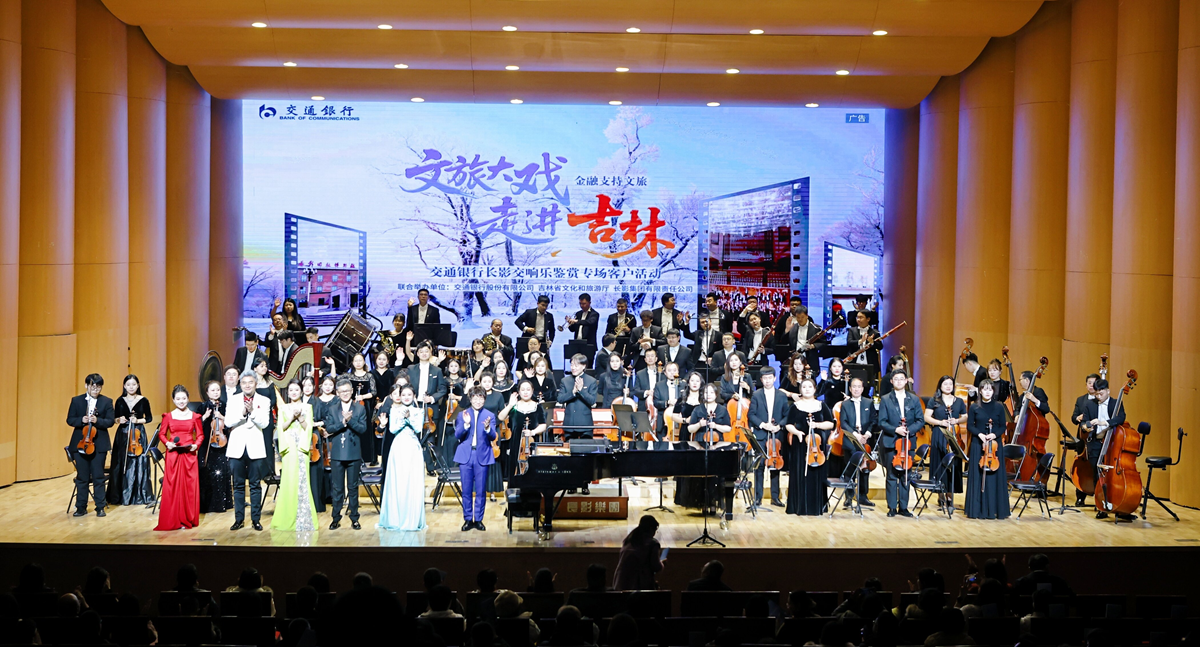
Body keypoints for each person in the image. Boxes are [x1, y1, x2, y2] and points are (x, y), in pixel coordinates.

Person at [375, 384, 427, 531]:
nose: (406, 397)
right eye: (403, 395)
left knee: (411, 482)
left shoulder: (419, 411)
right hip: (398, 447)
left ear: (414, 396)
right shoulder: (394, 410)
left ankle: (412, 519)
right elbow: (393, 429)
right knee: (398, 481)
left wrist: (409, 419)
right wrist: (403, 419)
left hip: (412, 447)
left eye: (409, 395)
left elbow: (418, 429)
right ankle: (395, 519)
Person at [224, 370, 271, 531]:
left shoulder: (264, 400)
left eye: (250, 382)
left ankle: (256, 520)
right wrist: (242, 413)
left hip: (255, 448)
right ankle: (239, 519)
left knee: (255, 485)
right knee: (237, 485)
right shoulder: (233, 399)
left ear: (255, 384)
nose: (247, 385)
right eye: (244, 383)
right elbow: (228, 422)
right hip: (236, 447)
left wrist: (252, 412)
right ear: (240, 384)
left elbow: (264, 423)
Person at [155, 385, 204, 531]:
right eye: (178, 399)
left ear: (188, 399)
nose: (181, 401)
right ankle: (173, 519)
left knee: (189, 487)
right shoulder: (168, 416)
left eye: (184, 398)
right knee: (172, 486)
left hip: (189, 455)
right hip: (173, 455)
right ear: (173, 400)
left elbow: (200, 435)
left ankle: (187, 519)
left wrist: (196, 445)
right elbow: (162, 434)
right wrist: (167, 443)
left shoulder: (195, 416)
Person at [272, 380, 319, 532]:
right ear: (288, 392)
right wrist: (292, 417)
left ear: (301, 391)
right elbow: (281, 427)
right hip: (289, 447)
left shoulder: (307, 407)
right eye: (291, 390)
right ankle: (287, 517)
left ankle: (304, 519)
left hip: (302, 447)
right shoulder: (283, 408)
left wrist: (300, 418)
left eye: (296, 390)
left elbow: (308, 428)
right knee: (289, 481)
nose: (293, 392)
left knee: (303, 481)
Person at [67, 374, 116, 517]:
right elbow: (70, 419)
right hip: (80, 444)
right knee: (82, 477)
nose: (95, 389)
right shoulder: (76, 401)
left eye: (98, 386)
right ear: (86, 386)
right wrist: (81, 420)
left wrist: (97, 421)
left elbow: (110, 421)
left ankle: (100, 507)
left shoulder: (106, 401)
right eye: (92, 386)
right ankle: (80, 507)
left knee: (98, 476)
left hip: (99, 444)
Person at [878, 370, 925, 517]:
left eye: (901, 379)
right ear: (891, 381)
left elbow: (920, 420)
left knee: (906, 475)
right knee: (892, 475)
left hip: (908, 442)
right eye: (896, 379)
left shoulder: (914, 399)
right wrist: (896, 430)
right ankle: (892, 507)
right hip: (891, 441)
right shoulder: (886, 399)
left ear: (906, 381)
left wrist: (909, 430)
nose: (899, 381)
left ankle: (904, 507)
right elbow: (882, 422)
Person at [785, 378, 834, 516]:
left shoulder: (821, 405)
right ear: (800, 390)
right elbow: (788, 424)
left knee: (816, 474)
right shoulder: (795, 406)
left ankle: (816, 506)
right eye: (804, 387)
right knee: (800, 473)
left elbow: (830, 424)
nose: (807, 389)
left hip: (816, 445)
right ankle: (799, 506)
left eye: (810, 387)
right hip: (800, 444)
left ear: (814, 389)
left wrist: (817, 425)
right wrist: (797, 432)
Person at [324, 378, 368, 530]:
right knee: (337, 488)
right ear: (337, 393)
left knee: (353, 487)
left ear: (352, 391)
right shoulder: (332, 409)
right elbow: (329, 428)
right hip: (337, 453)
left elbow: (362, 429)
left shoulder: (359, 409)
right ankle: (335, 518)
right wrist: (342, 423)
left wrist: (350, 421)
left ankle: (354, 518)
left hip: (353, 453)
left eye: (347, 391)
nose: (345, 394)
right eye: (342, 391)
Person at [1081, 378, 1128, 519]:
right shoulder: (1090, 404)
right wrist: (1086, 426)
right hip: (1095, 443)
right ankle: (1100, 505)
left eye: (1101, 394)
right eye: (1096, 394)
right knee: (1098, 474)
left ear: (1108, 391)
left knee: (1113, 474)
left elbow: (1121, 418)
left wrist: (1104, 422)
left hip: (1113, 443)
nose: (1098, 397)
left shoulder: (1115, 403)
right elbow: (1084, 423)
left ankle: (1118, 502)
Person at [965, 379, 1010, 520]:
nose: (987, 392)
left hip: (994, 445)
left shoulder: (999, 406)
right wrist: (980, 435)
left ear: (993, 391)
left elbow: (1002, 426)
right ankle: (977, 510)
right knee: (978, 476)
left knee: (994, 476)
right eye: (985, 389)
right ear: (980, 391)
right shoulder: (974, 407)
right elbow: (970, 426)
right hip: (978, 444)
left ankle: (994, 509)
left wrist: (993, 435)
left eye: (990, 389)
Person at [455, 387, 497, 531]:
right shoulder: (462, 414)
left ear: (484, 399)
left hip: (482, 455)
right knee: (466, 490)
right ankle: (468, 519)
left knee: (481, 490)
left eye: (481, 398)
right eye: (475, 398)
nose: (478, 401)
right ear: (470, 399)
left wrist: (487, 428)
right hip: (466, 455)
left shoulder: (489, 415)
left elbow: (493, 436)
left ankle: (478, 519)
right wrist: (466, 424)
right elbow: (457, 435)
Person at [108, 374, 154, 507]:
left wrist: (138, 420)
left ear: (138, 385)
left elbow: (149, 418)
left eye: (134, 384)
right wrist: (119, 420)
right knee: (121, 462)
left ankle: (139, 495)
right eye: (128, 385)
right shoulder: (119, 400)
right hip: (123, 434)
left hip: (138, 434)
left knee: (139, 462)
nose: (131, 387)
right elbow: (114, 419)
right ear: (124, 386)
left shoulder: (143, 400)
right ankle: (121, 495)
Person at [749, 367, 789, 508]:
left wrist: (779, 426)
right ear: (761, 379)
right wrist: (763, 425)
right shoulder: (756, 395)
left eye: (770, 378)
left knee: (775, 465)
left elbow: (787, 415)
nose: (767, 381)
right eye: (765, 378)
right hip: (761, 435)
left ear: (774, 378)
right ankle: (758, 498)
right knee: (759, 467)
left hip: (776, 435)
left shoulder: (782, 395)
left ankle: (775, 497)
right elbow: (751, 414)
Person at [925, 375, 968, 508]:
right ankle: (941, 495)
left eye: (950, 384)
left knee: (954, 464)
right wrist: (940, 422)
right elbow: (926, 417)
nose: (948, 386)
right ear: (940, 386)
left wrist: (957, 420)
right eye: (945, 384)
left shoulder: (959, 401)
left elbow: (965, 416)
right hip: (939, 433)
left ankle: (950, 495)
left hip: (954, 434)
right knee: (939, 462)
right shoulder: (934, 400)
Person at [499, 380, 548, 480]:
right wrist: (510, 405)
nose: (525, 392)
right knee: (514, 469)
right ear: (519, 392)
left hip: (531, 442)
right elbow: (501, 417)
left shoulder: (537, 406)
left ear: (532, 391)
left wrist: (532, 432)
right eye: (523, 390)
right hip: (515, 442)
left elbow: (543, 425)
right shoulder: (514, 406)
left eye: (528, 390)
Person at [408, 341, 447, 464]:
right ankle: (414, 463)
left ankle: (430, 466)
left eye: (427, 351)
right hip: (415, 405)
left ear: (430, 353)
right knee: (414, 435)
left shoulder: (437, 370)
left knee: (429, 437)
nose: (424, 354)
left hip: (430, 407)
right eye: (421, 352)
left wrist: (432, 398)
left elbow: (443, 389)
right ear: (417, 354)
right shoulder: (411, 369)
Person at [839, 377, 876, 507]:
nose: (856, 389)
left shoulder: (869, 402)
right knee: (850, 470)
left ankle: (863, 496)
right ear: (850, 389)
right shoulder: (845, 404)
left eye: (859, 387)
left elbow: (874, 421)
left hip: (865, 441)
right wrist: (856, 435)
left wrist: (867, 434)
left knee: (865, 470)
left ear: (862, 388)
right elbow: (844, 423)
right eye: (854, 387)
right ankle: (849, 497)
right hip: (850, 441)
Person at [200, 380, 233, 514]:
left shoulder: (225, 405)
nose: (215, 392)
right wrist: (205, 417)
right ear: (207, 393)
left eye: (218, 390)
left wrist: (222, 417)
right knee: (208, 473)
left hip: (222, 442)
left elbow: (231, 423)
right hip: (207, 443)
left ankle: (223, 503)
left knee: (222, 472)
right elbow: (196, 424)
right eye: (212, 390)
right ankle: (208, 505)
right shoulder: (203, 406)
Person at [613, 515, 663, 590]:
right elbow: (656, 567)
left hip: (621, 583)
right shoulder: (653, 544)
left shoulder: (629, 539)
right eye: (655, 529)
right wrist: (662, 563)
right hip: (638, 585)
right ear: (651, 529)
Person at [309, 376, 336, 513]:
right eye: (325, 384)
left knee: (334, 466)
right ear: (321, 386)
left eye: (330, 384)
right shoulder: (316, 400)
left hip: (333, 434)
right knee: (322, 466)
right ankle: (324, 495)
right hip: (319, 436)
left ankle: (334, 496)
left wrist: (329, 430)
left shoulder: (337, 400)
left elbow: (336, 418)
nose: (328, 387)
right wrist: (320, 428)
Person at [1071, 374, 1099, 506]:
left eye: (1094, 383)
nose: (1091, 385)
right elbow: (1073, 417)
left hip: (1096, 438)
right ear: (1086, 385)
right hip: (1083, 438)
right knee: (1081, 468)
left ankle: (1099, 497)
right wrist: (1077, 418)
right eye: (1089, 383)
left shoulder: (1101, 400)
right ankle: (1080, 497)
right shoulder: (1080, 400)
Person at [344, 353, 378, 464]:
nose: (358, 363)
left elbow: (373, 392)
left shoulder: (369, 376)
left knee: (366, 430)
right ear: (353, 363)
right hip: (351, 405)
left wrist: (362, 396)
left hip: (365, 406)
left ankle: (368, 458)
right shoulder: (349, 376)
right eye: (356, 361)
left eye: (360, 360)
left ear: (364, 362)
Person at [557, 354, 599, 441]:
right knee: (569, 448)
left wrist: (581, 390)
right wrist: (573, 392)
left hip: (585, 424)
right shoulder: (565, 381)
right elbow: (560, 399)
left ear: (584, 366)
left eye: (576, 365)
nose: (573, 368)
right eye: (572, 365)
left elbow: (592, 401)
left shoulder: (591, 381)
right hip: (569, 424)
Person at [651, 362, 683, 444]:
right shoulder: (659, 385)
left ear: (678, 372)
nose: (672, 373)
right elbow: (656, 402)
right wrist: (667, 402)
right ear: (665, 373)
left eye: (674, 370)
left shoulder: (683, 385)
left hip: (680, 422)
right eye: (669, 370)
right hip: (663, 422)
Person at [785, 305, 825, 371]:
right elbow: (786, 342)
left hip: (811, 360)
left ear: (807, 316)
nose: (800, 320)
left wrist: (813, 346)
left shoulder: (816, 328)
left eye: (802, 317)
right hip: (796, 360)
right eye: (798, 317)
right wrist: (787, 330)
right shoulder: (793, 327)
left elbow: (823, 343)